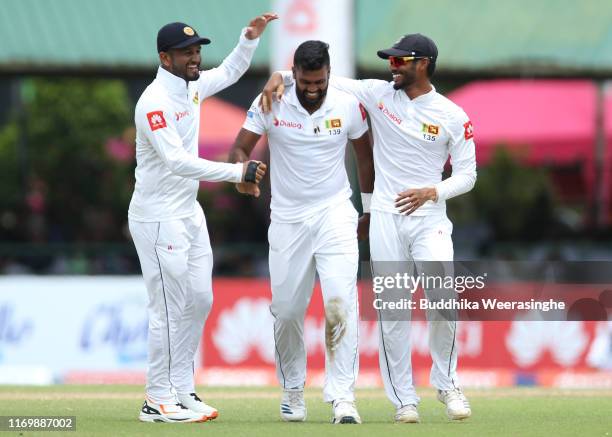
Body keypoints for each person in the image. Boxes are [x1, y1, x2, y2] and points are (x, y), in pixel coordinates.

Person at [261, 33, 476, 423]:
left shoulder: (452, 115)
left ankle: (447, 385)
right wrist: (278, 75)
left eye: (399, 62)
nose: (390, 67)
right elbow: (318, 77)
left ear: (422, 64)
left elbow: (468, 175)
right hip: (386, 220)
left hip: (429, 219)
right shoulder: (377, 94)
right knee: (394, 312)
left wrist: (434, 191)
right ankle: (404, 400)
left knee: (443, 301)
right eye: (389, 61)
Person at [128, 14, 277, 423]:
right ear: (164, 57)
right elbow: (175, 161)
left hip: (188, 213)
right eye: (185, 53)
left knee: (199, 300)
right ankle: (156, 399)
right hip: (158, 217)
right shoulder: (153, 102)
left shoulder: (192, 88)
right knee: (168, 309)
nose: (195, 58)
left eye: (196, 51)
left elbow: (231, 70)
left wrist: (248, 38)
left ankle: (181, 389)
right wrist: (236, 172)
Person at [229, 40, 374, 424]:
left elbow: (364, 156)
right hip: (288, 218)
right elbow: (239, 149)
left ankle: (343, 397)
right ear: (294, 74)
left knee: (340, 301)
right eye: (306, 81)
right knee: (288, 310)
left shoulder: (346, 101)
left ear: (329, 72)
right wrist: (242, 174)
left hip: (335, 213)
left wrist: (369, 211)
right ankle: (293, 390)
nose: (312, 88)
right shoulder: (272, 99)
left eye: (319, 81)